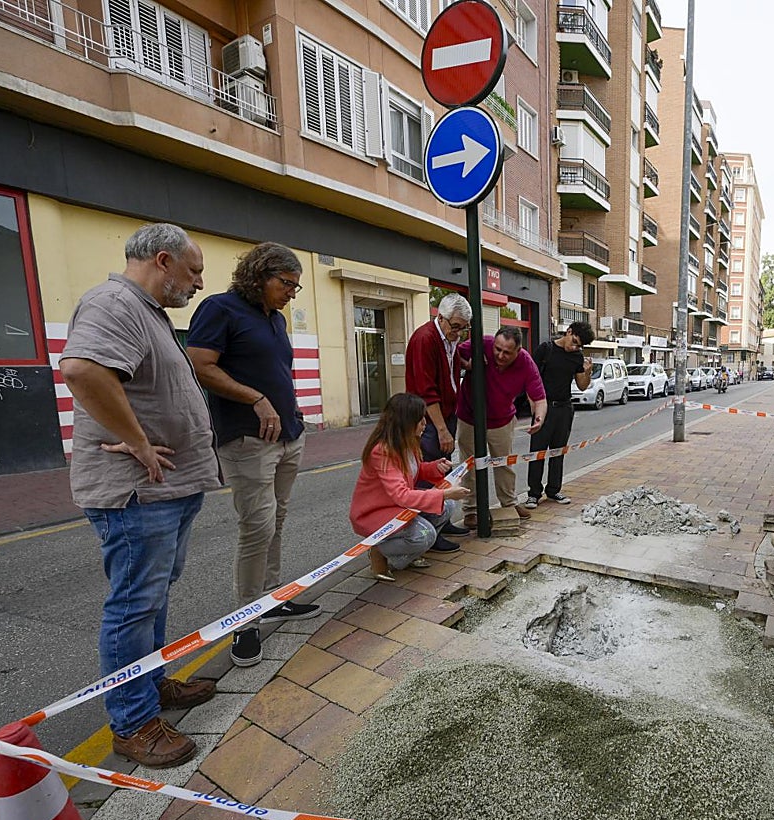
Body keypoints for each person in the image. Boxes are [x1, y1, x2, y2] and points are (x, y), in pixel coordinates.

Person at [60, 223, 221, 768]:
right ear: (163, 260)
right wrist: (137, 442)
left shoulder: (146, 311)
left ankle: (149, 685)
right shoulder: (114, 303)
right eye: (194, 271)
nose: (199, 283)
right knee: (133, 605)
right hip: (138, 494)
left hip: (165, 490)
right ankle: (132, 722)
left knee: (151, 598)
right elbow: (82, 370)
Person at [186, 243, 322, 670]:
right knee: (256, 527)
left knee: (276, 520)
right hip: (247, 439)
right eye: (287, 284)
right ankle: (245, 620)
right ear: (260, 275)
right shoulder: (220, 309)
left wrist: (291, 410)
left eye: (296, 287)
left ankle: (272, 597)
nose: (291, 293)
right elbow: (200, 365)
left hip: (288, 436)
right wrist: (257, 399)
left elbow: (276, 371)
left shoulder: (275, 319)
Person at [349, 393, 472, 580]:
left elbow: (413, 471)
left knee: (446, 507)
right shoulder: (382, 451)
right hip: (377, 512)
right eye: (420, 419)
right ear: (405, 422)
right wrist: (445, 493)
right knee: (426, 535)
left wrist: (434, 467)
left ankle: (407, 553)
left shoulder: (407, 443)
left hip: (396, 506)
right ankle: (379, 550)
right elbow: (402, 494)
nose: (424, 423)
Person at [455, 326, 548, 529]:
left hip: (501, 420)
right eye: (497, 349)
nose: (500, 355)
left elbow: (539, 396)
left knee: (504, 463)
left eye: (507, 352)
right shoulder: (483, 343)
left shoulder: (526, 363)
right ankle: (471, 510)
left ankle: (509, 504)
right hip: (470, 416)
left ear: (518, 351)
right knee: (469, 465)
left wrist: (539, 418)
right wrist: (467, 364)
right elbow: (453, 354)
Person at [403, 293, 473, 549]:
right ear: (440, 317)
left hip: (445, 415)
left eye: (463, 328)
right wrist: (442, 430)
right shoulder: (425, 339)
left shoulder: (448, 338)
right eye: (455, 326)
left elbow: (449, 366)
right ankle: (429, 530)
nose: (458, 333)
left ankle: (442, 520)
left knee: (441, 470)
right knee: (426, 473)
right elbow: (426, 391)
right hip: (429, 420)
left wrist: (465, 363)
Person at [526, 321, 594, 508]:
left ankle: (554, 490)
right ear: (568, 332)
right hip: (544, 406)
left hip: (564, 408)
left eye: (579, 346)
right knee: (538, 452)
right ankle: (533, 493)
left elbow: (582, 385)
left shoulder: (577, 357)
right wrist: (534, 406)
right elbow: (530, 378)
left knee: (558, 451)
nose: (574, 347)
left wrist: (587, 373)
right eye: (574, 342)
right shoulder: (545, 349)